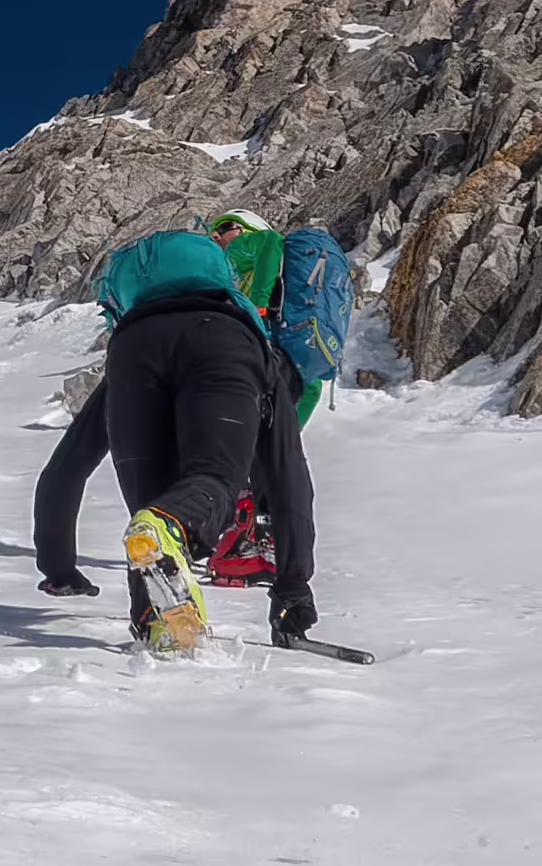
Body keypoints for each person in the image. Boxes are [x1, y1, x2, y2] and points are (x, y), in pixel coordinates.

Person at [34, 221, 326, 652]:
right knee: (211, 483)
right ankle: (167, 543)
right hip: (225, 347)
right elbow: (287, 473)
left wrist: (59, 566)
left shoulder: (130, 340)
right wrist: (293, 588)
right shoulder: (245, 334)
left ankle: (154, 619)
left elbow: (66, 468)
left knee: (149, 511)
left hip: (132, 354)